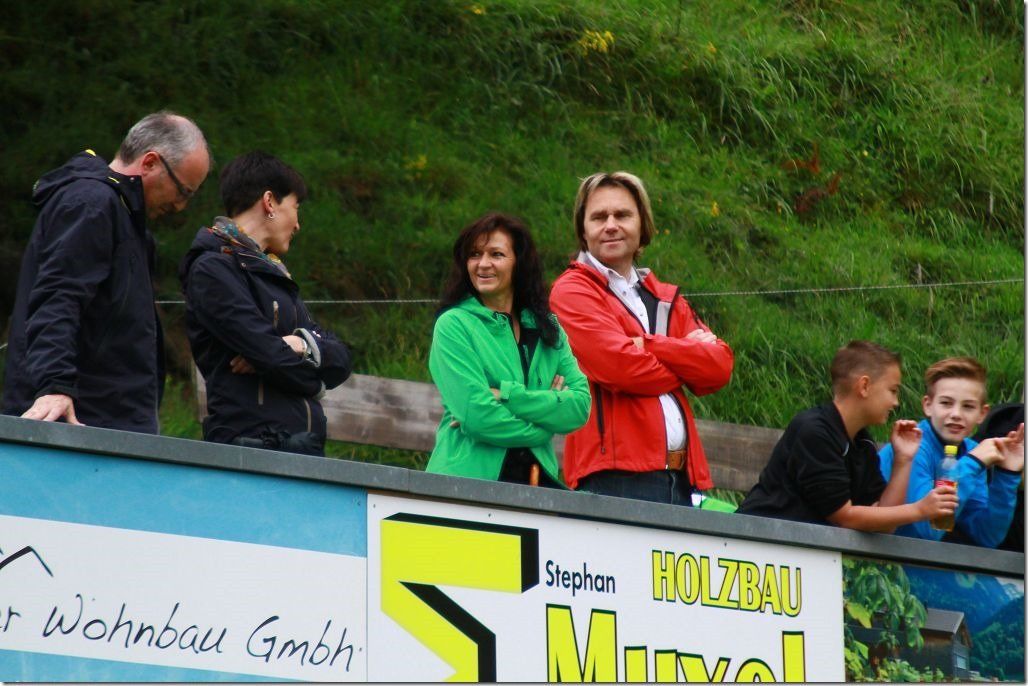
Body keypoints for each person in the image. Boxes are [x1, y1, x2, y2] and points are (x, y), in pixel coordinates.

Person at [3, 111, 210, 432]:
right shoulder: (91, 203)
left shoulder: (131, 227)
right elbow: (58, 298)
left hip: (113, 425)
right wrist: (54, 387)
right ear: (150, 162)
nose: (180, 206)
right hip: (74, 422)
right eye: (183, 191)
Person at [548, 171, 733, 505]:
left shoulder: (664, 296)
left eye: (622, 215)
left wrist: (647, 345)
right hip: (615, 478)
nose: (611, 225)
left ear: (642, 225)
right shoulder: (572, 291)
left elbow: (718, 369)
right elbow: (622, 368)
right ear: (583, 230)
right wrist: (687, 360)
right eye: (599, 217)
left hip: (682, 479)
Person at [179, 151, 351, 456]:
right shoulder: (213, 269)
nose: (297, 224)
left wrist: (300, 343)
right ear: (269, 202)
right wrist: (315, 383)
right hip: (252, 447)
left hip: (299, 447)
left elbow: (341, 360)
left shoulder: (274, 272)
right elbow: (271, 355)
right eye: (295, 207)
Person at [426, 212, 590, 485]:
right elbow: (477, 416)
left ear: (519, 263)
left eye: (496, 254)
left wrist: (507, 395)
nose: (483, 264)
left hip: (537, 485)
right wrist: (544, 427)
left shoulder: (549, 328)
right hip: (465, 484)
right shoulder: (453, 325)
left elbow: (580, 407)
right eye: (475, 254)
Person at [737, 341, 957, 532]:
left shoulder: (862, 442)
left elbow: (884, 521)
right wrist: (919, 509)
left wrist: (903, 460)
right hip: (756, 545)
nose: (896, 402)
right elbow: (844, 517)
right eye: (892, 390)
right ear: (864, 386)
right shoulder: (814, 432)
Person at [878, 357, 1024, 547]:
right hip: (877, 555)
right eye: (946, 403)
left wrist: (1007, 475)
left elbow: (985, 536)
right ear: (928, 405)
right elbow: (927, 530)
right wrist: (972, 463)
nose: (956, 414)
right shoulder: (912, 446)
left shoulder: (971, 450)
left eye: (968, 406)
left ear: (982, 413)